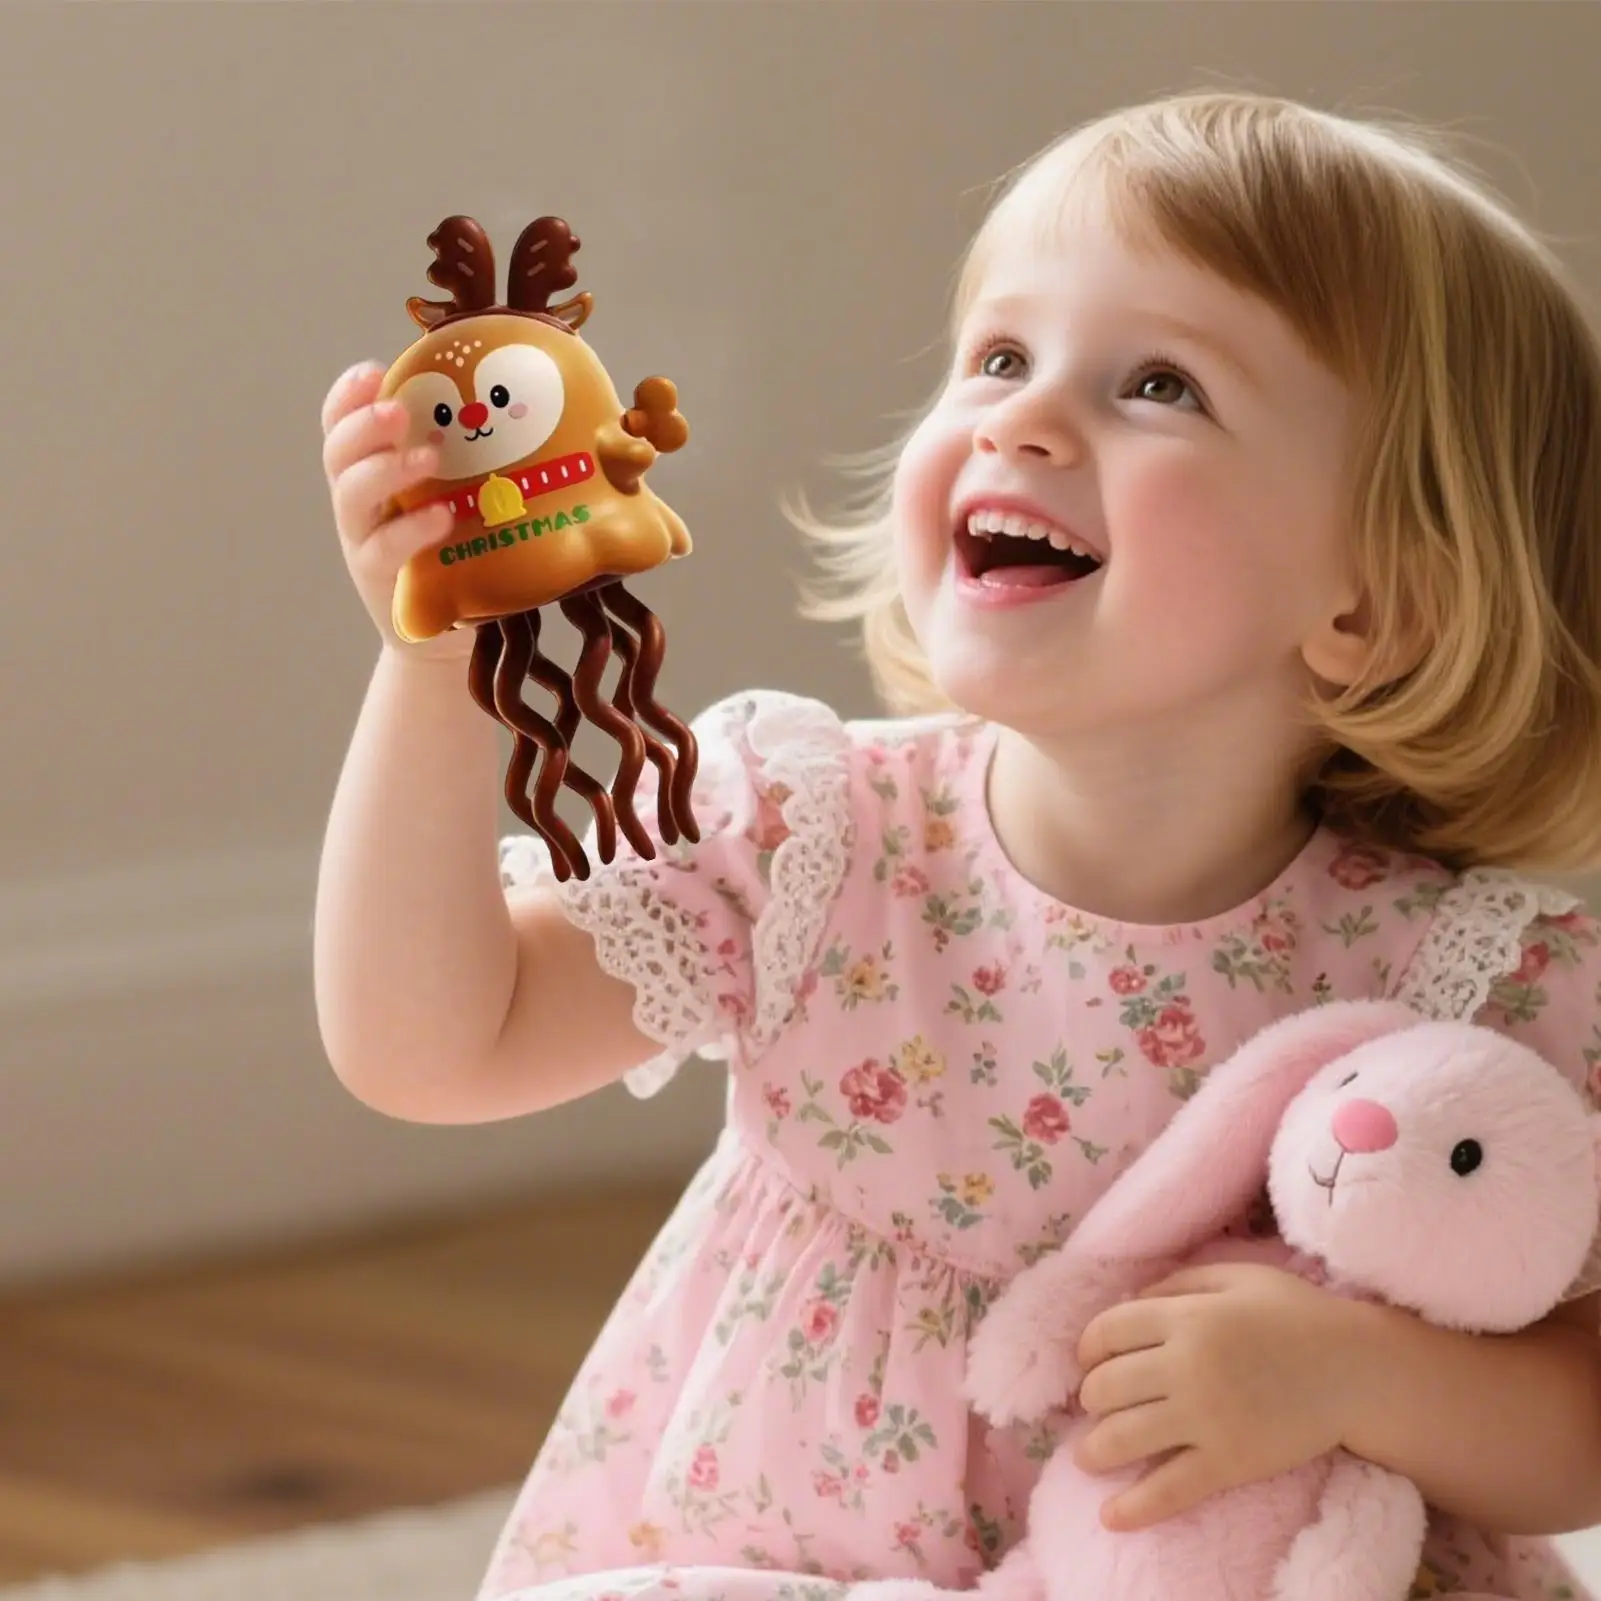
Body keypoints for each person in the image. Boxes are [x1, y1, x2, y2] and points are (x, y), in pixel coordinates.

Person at [314, 91, 1601, 1601]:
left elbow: (1577, 1424)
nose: (1021, 416)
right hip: (788, 1560)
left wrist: (1357, 1378)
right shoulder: (811, 834)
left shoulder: (1459, 985)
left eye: (1162, 384)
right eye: (999, 355)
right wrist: (435, 668)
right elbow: (431, 1049)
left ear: (1377, 606)